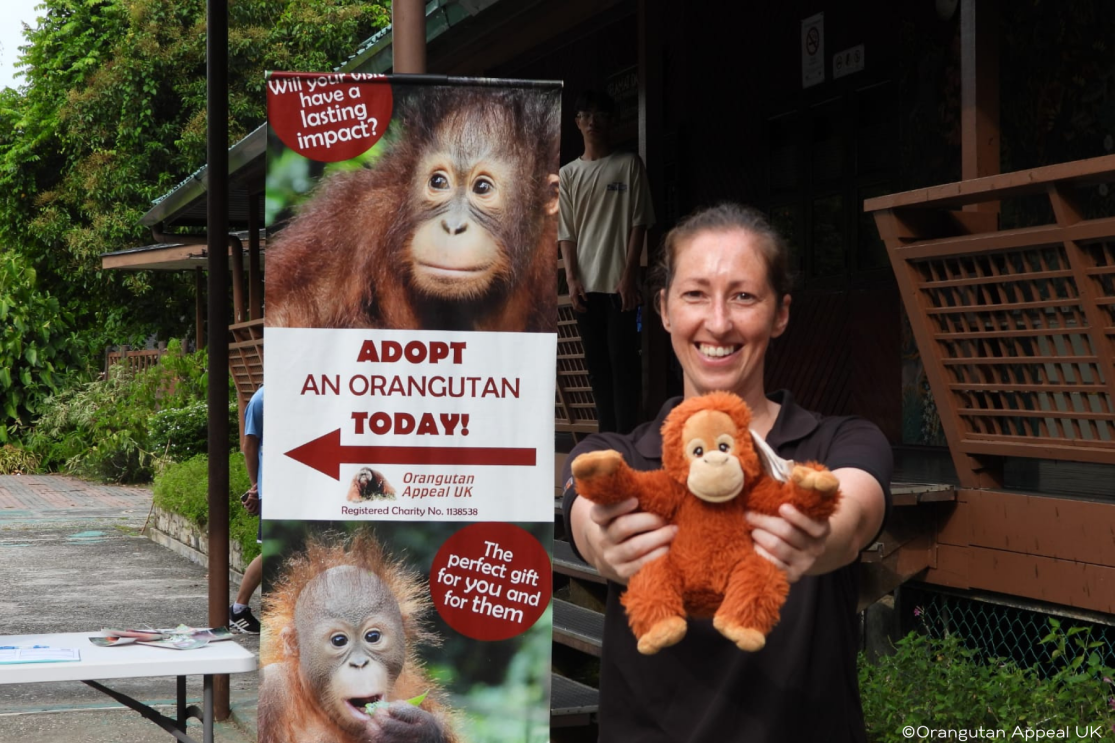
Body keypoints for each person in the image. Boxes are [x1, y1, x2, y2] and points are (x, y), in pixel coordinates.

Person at [561, 203, 893, 741]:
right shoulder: (620, 453)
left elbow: (852, 513)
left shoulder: (839, 442)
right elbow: (581, 504)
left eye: (743, 296)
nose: (718, 322)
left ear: (780, 313)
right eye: (695, 294)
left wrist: (818, 536)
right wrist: (599, 541)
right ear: (664, 309)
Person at [559, 89, 655, 434]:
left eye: (600, 115)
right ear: (577, 123)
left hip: (620, 285)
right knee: (597, 366)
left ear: (612, 122)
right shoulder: (568, 174)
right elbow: (566, 233)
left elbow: (638, 223)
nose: (593, 122)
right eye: (586, 116)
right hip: (585, 287)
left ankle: (627, 439)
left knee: (623, 362)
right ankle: (606, 438)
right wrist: (571, 280)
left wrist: (630, 278)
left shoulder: (628, 165)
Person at [230, 385, 263, 634]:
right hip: (275, 487)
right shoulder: (262, 399)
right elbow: (249, 445)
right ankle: (238, 609)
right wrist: (256, 486)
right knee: (274, 550)